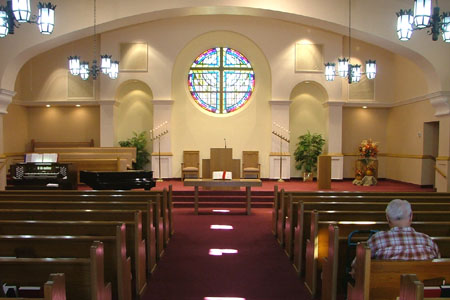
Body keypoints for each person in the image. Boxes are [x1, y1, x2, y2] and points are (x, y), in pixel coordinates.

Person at [367, 199, 440, 260]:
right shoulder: (427, 241)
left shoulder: (377, 240)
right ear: (411, 216)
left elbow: (359, 269)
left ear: (387, 218)